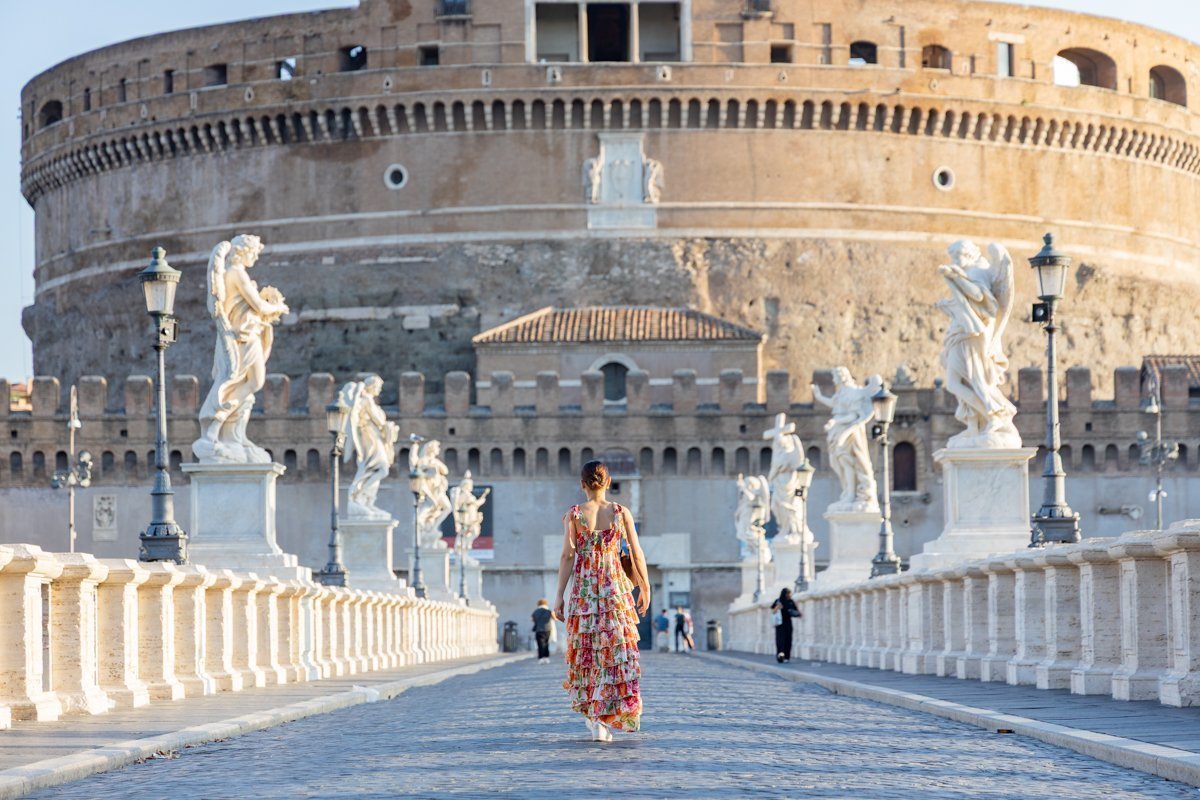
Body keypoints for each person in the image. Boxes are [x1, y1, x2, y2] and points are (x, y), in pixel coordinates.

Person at [554, 460, 650, 742]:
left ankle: (595, 719)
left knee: (588, 652)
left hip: (585, 591)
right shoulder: (621, 513)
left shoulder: (574, 514)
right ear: (608, 483)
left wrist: (559, 595)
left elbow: (567, 556)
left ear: (582, 484)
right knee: (615, 651)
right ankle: (606, 716)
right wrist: (644, 586)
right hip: (614, 591)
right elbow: (637, 552)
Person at [771, 587, 802, 663]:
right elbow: (773, 611)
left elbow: (796, 611)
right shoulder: (778, 601)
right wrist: (778, 607)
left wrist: (797, 611)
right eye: (788, 594)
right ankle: (780, 656)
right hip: (780, 624)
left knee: (788, 640)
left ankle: (787, 657)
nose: (789, 595)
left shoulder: (791, 601)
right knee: (780, 641)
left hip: (788, 623)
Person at [531, 599, 553, 664]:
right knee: (546, 643)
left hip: (539, 630)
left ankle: (541, 658)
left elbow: (532, 619)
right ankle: (546, 658)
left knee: (540, 644)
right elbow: (554, 618)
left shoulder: (535, 611)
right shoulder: (549, 611)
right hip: (547, 629)